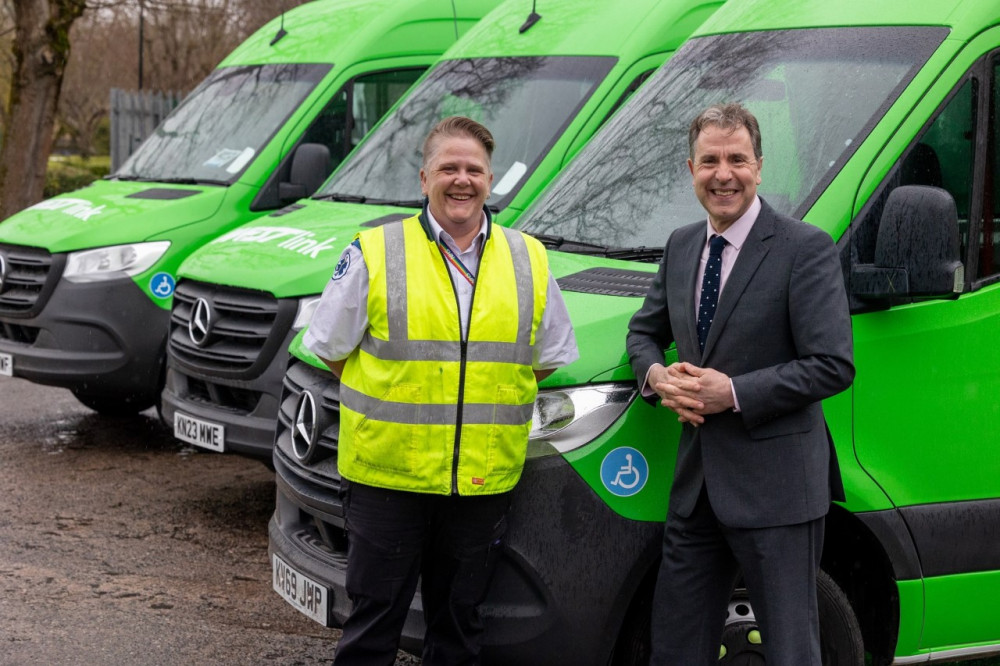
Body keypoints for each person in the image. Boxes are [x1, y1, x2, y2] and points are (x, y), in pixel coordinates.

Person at [304, 115, 578, 666]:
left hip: (479, 484)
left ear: (490, 179)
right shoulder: (375, 251)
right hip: (388, 480)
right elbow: (330, 348)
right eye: (448, 168)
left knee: (459, 631)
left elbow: (545, 360)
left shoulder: (529, 257)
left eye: (473, 169)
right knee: (372, 628)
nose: (462, 180)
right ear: (423, 178)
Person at [625, 102, 854, 665]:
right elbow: (642, 333)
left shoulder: (805, 248)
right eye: (709, 161)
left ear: (759, 167)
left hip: (778, 491)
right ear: (691, 169)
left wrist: (730, 393)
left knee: (790, 652)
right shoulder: (681, 246)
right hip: (696, 489)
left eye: (736, 160)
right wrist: (656, 377)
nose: (723, 174)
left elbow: (832, 364)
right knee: (675, 647)